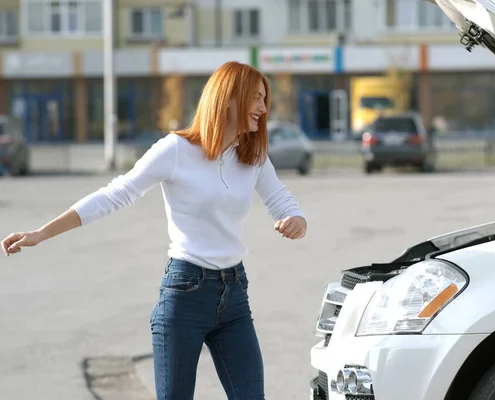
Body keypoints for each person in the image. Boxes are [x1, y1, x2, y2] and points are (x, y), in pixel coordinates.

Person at [1, 61, 307, 400]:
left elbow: (282, 201)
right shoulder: (175, 150)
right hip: (186, 293)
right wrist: (42, 233)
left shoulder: (253, 156)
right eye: (257, 98)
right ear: (229, 98)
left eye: (265, 100)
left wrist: (297, 220)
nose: (264, 109)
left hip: (234, 295)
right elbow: (115, 194)